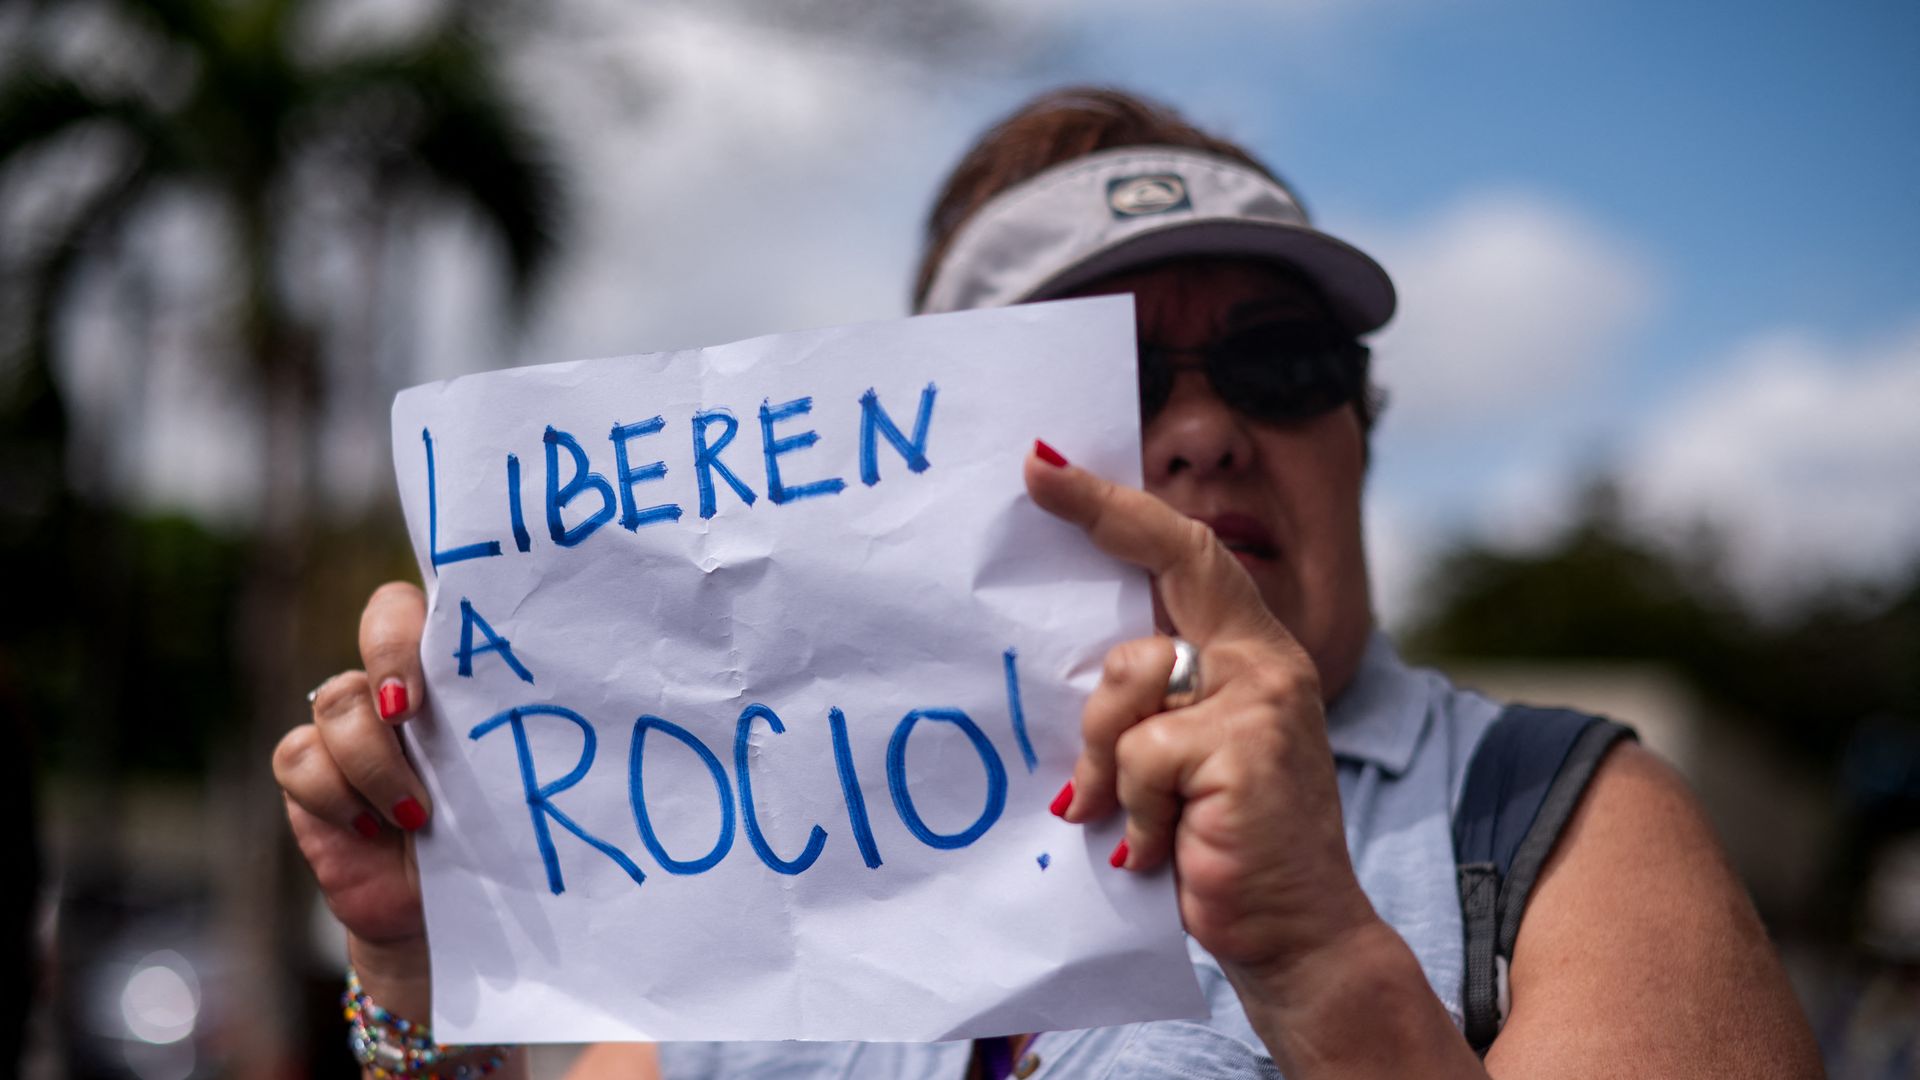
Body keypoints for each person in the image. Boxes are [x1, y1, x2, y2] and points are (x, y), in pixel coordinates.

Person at [273, 87, 1824, 1078]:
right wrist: (424, 968)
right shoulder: (739, 871)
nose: (1207, 427)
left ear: (1362, 431)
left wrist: (1332, 974)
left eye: (1284, 364)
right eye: (1115, 373)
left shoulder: (1554, 820)